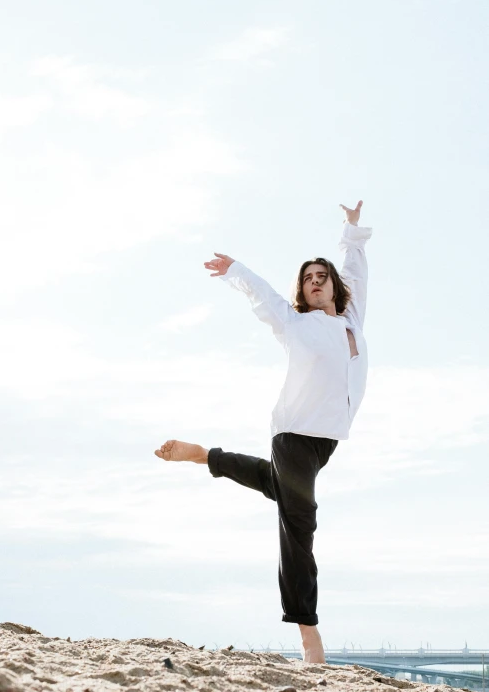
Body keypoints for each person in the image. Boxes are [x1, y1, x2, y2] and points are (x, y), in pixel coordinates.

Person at [155, 200, 373, 664]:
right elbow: (266, 297)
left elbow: (356, 267)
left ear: (334, 285)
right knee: (300, 522)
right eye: (308, 279)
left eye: (323, 276)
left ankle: (205, 456)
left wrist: (350, 229)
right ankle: (308, 633)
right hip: (293, 435)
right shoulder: (295, 324)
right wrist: (237, 270)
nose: (316, 282)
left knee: (279, 489)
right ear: (304, 291)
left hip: (327, 440)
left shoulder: (352, 320)